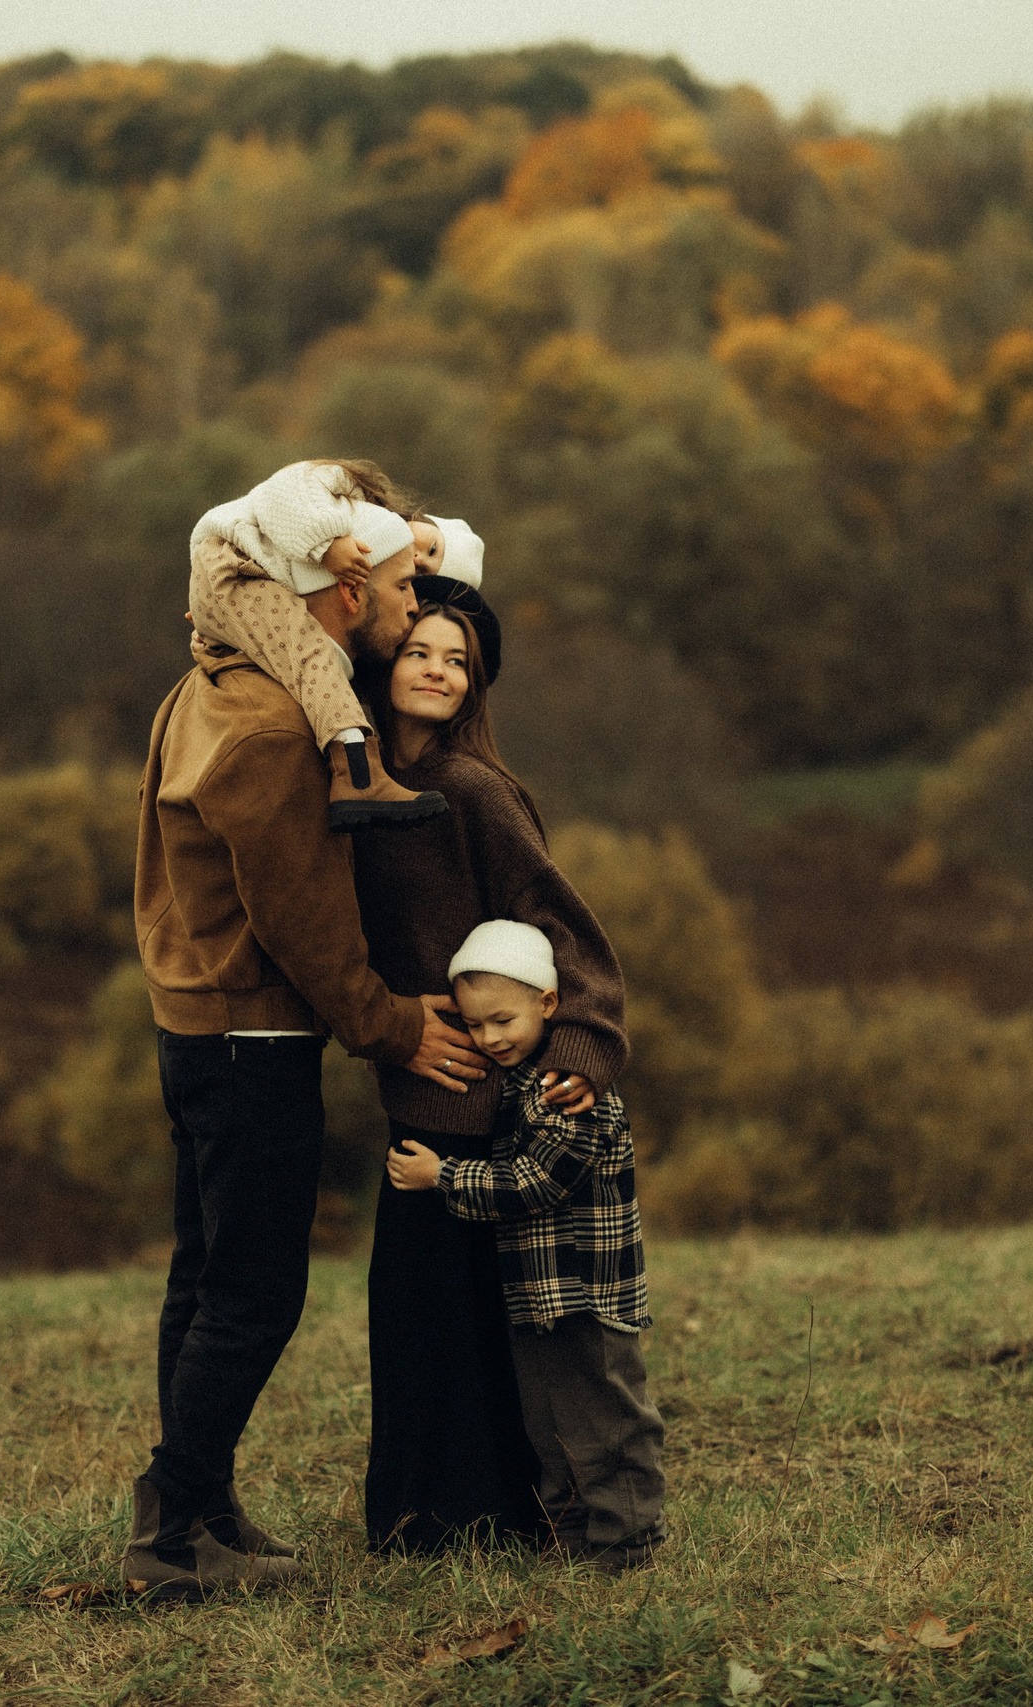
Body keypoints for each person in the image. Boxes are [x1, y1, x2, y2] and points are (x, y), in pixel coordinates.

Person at [125, 507, 488, 1599]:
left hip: (193, 1026)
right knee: (253, 1294)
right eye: (399, 593)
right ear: (341, 597)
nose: (413, 607)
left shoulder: (207, 683)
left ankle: (200, 1505)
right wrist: (392, 1023)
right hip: (251, 1040)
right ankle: (171, 1529)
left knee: (204, 1277)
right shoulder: (277, 733)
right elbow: (300, 920)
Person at [350, 580, 630, 1554]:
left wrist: (583, 1043)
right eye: (418, 650)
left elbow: (565, 923)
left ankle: (477, 1517)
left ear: (476, 685)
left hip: (481, 1092)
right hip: (414, 1076)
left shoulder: (471, 791)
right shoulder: (358, 783)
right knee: (415, 1311)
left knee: (466, 1317)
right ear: (382, 663)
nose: (435, 669)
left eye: (456, 659)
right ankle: (424, 1514)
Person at [386, 919, 667, 1572]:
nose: (488, 1038)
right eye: (476, 1024)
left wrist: (442, 1175)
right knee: (553, 1424)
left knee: (610, 1420)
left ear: (547, 1003)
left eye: (501, 1020)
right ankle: (568, 1540)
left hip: (589, 1293)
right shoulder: (521, 1085)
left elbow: (535, 1183)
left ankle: (628, 1544)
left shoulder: (565, 1092)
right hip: (541, 1294)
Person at [187, 459, 450, 831]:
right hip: (222, 563)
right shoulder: (326, 484)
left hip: (225, 571)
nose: (413, 604)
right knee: (308, 652)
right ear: (352, 590)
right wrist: (330, 545)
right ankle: (359, 774)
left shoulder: (334, 520)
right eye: (406, 583)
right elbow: (280, 491)